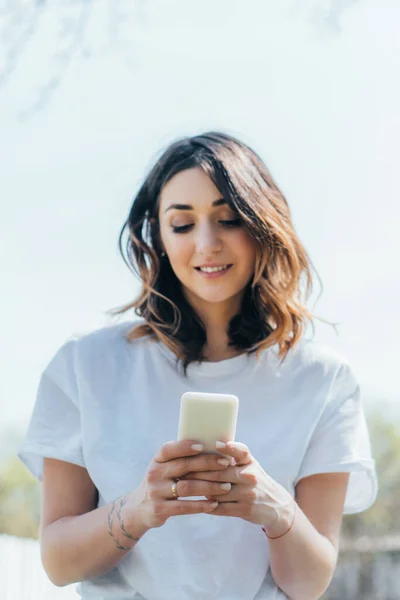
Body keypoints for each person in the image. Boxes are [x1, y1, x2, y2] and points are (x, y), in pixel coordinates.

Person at [18, 131, 378, 600]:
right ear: (159, 236)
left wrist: (272, 507)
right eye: (182, 224)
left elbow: (308, 584)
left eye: (228, 219)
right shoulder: (85, 367)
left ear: (262, 225)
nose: (207, 243)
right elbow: (59, 563)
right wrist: (141, 509)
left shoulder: (325, 380)